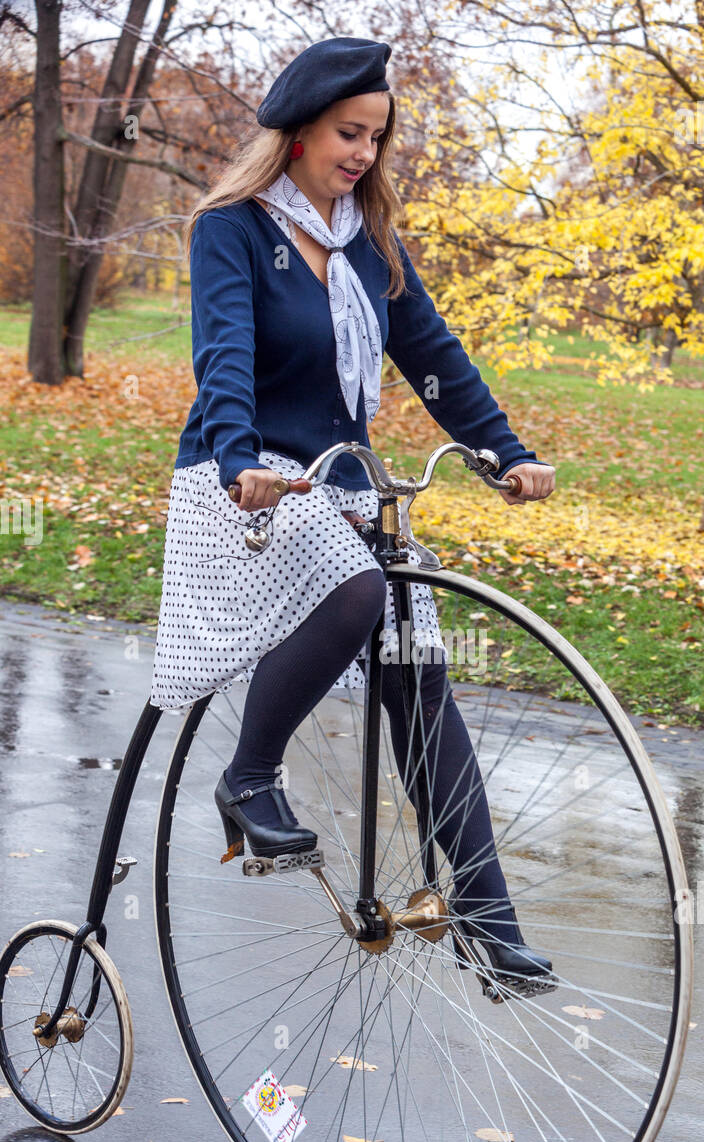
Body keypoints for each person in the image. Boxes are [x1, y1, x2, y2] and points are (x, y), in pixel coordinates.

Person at [148, 36, 557, 989]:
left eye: (377, 136)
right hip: (245, 487)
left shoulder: (369, 246)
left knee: (422, 691)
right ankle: (250, 775)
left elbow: (436, 358)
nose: (365, 152)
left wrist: (506, 453)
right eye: (349, 132)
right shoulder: (234, 228)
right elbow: (225, 357)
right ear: (295, 134)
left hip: (342, 489)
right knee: (359, 589)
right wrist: (240, 453)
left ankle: (487, 915)